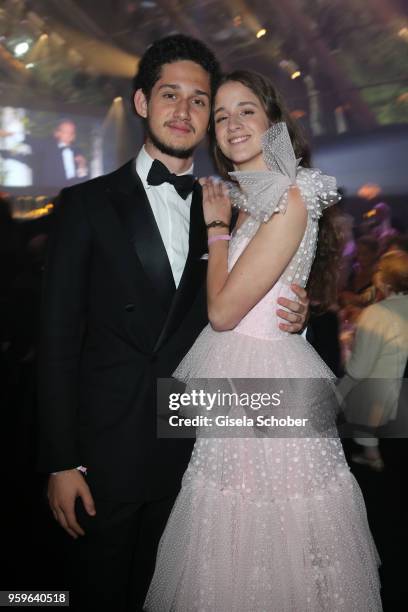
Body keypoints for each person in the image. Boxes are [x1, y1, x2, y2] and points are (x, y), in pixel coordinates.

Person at [37, 37, 308, 612]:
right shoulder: (86, 205)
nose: (184, 112)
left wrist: (296, 309)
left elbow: (252, 294)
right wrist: (60, 459)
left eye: (199, 100)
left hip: (199, 447)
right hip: (106, 454)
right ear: (141, 103)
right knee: (91, 593)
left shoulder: (232, 204)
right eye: (169, 95)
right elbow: (56, 343)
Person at [144, 71, 382, 611]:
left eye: (245, 110)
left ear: (273, 121)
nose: (231, 124)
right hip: (242, 375)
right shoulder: (255, 197)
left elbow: (224, 312)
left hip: (269, 379)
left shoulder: (287, 198)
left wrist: (217, 231)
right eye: (222, 116)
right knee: (230, 515)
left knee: (276, 522)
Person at [338, 250, 408, 471]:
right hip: (395, 386)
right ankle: (372, 455)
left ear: (381, 278)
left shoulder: (377, 313)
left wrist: (346, 344)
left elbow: (358, 369)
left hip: (374, 391)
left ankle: (370, 458)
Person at [36, 119, 88, 188]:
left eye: (72, 131)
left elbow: (83, 179)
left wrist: (82, 166)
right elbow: (32, 142)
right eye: (67, 131)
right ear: (57, 133)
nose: (70, 134)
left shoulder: (78, 151)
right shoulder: (48, 149)